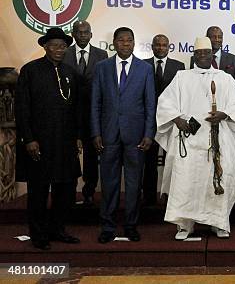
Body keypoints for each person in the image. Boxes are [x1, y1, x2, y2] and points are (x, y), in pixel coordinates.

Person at [156, 36, 235, 240]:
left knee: (218, 179)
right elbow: (165, 102)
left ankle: (220, 223)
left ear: (212, 55)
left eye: (207, 52)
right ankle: (184, 225)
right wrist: (176, 119)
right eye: (199, 53)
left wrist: (224, 114)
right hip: (188, 140)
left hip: (218, 139)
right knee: (186, 182)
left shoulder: (224, 78)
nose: (204, 56)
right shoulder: (182, 77)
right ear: (194, 55)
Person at [16, 27, 82, 250]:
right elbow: (22, 108)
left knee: (65, 190)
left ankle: (57, 229)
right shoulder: (30, 70)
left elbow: (76, 109)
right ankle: (38, 234)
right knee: (39, 192)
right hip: (40, 142)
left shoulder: (70, 72)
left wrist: (77, 138)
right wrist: (29, 139)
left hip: (64, 143)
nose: (59, 49)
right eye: (54, 45)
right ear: (45, 47)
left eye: (63, 46)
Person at [91, 27, 156, 243]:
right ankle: (107, 227)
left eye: (129, 40)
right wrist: (96, 132)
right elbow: (95, 104)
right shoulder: (102, 67)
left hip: (136, 136)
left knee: (133, 184)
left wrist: (149, 133)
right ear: (114, 43)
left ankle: (131, 225)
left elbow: (150, 105)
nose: (125, 44)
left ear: (134, 43)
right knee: (108, 184)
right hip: (108, 135)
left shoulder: (145, 69)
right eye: (121, 40)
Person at [63, 20, 108, 205]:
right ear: (73, 34)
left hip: (92, 113)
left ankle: (89, 192)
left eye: (86, 32)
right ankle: (69, 192)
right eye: (79, 32)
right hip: (68, 114)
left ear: (91, 34)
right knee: (69, 155)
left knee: (91, 155)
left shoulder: (102, 54)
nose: (82, 35)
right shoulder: (63, 53)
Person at [143, 34, 185, 206]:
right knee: (149, 162)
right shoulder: (142, 65)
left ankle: (171, 198)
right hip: (149, 121)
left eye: (164, 45)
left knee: (172, 161)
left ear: (169, 47)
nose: (160, 48)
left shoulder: (179, 66)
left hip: (171, 121)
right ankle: (149, 199)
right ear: (152, 47)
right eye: (157, 45)